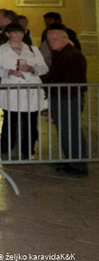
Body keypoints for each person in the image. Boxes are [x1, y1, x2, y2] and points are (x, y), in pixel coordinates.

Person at [0, 23, 48, 160]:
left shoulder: (32, 49)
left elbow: (43, 67)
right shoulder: (0, 50)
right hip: (12, 88)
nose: (18, 35)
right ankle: (6, 147)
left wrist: (31, 69)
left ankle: (28, 149)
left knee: (30, 121)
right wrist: (9, 72)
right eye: (14, 33)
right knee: (10, 120)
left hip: (30, 88)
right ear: (8, 34)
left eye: (20, 33)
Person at [41, 29, 89, 176]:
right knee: (65, 130)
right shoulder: (62, 54)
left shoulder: (72, 56)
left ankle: (78, 164)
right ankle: (71, 159)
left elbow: (74, 80)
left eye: (54, 40)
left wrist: (49, 82)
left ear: (65, 39)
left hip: (68, 98)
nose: (51, 43)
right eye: (49, 41)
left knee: (71, 130)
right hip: (62, 96)